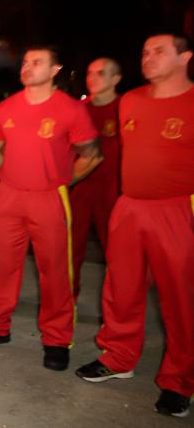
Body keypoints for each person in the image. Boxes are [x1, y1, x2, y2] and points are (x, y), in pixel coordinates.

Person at [75, 34, 194, 418]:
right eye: (144, 51)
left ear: (185, 57)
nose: (148, 57)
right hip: (129, 206)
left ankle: (180, 381)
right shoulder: (131, 100)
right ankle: (119, 357)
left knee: (181, 299)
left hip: (177, 210)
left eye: (159, 51)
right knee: (121, 289)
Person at [0, 46, 100, 372]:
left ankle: (56, 339)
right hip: (8, 197)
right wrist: (10, 171)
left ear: (55, 70)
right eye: (25, 62)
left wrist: (62, 181)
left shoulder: (69, 110)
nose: (27, 67)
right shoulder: (6, 108)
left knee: (54, 271)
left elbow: (92, 155)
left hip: (49, 198)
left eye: (37, 62)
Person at [69, 57, 121, 297]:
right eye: (89, 73)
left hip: (112, 190)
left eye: (100, 73)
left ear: (116, 79)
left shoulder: (125, 108)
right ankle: (68, 299)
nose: (92, 78)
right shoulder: (78, 109)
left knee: (116, 252)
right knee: (70, 247)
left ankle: (116, 307)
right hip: (79, 188)